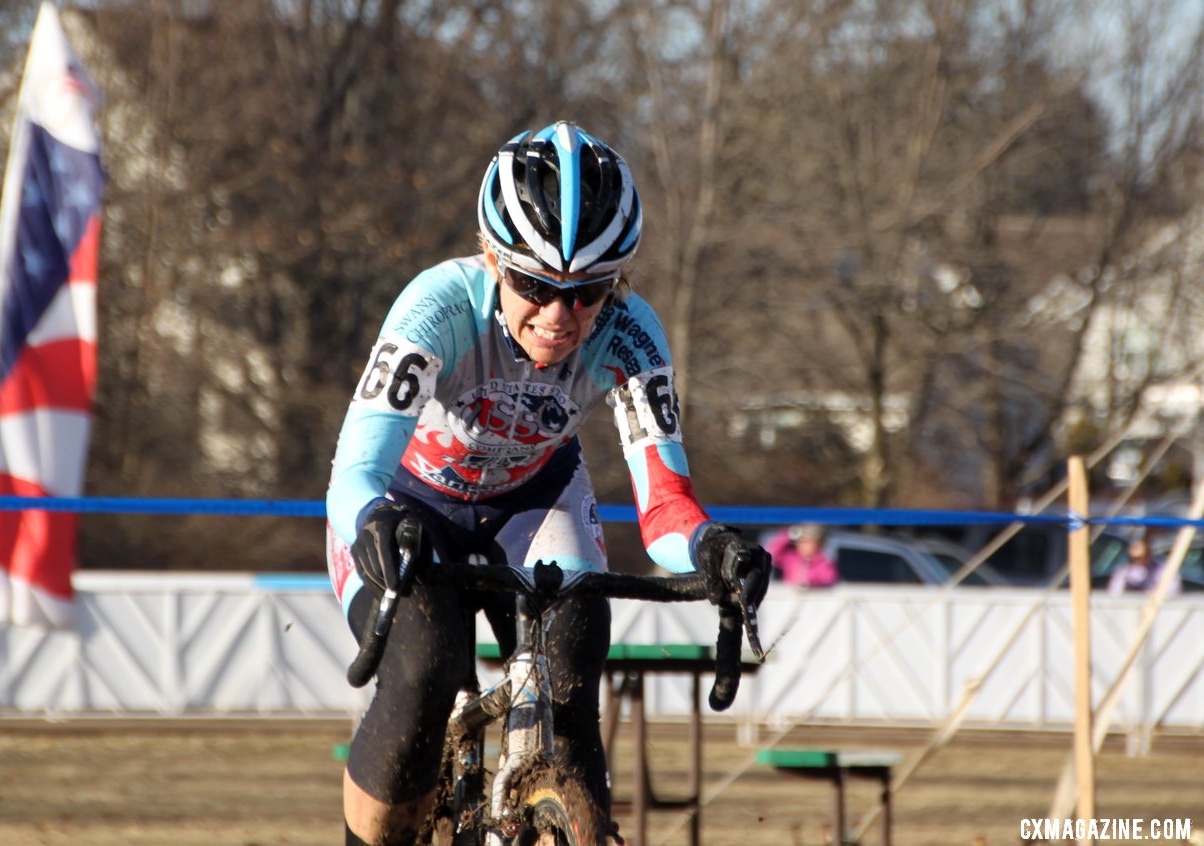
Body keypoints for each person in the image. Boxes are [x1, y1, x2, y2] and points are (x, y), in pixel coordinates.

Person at [324, 121, 771, 846]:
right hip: (408, 506)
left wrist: (714, 548)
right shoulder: (437, 307)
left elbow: (663, 508)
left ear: (615, 283)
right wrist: (373, 520)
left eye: (587, 291)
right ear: (493, 260)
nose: (561, 317)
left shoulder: (629, 334)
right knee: (424, 670)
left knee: (572, 661)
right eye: (535, 285)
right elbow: (357, 474)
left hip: (534, 502)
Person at [764, 523, 838, 588]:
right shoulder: (791, 558)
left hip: (814, 599)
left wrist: (812, 584)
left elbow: (829, 581)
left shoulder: (824, 563)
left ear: (817, 544)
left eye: (807, 542)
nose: (802, 545)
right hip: (789, 599)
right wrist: (789, 534)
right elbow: (771, 553)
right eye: (800, 542)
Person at [1108, 537, 1180, 597]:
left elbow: (1172, 591)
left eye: (1141, 557)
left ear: (1148, 555)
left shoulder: (1163, 570)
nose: (1138, 561)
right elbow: (1114, 592)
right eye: (1134, 558)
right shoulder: (1124, 571)